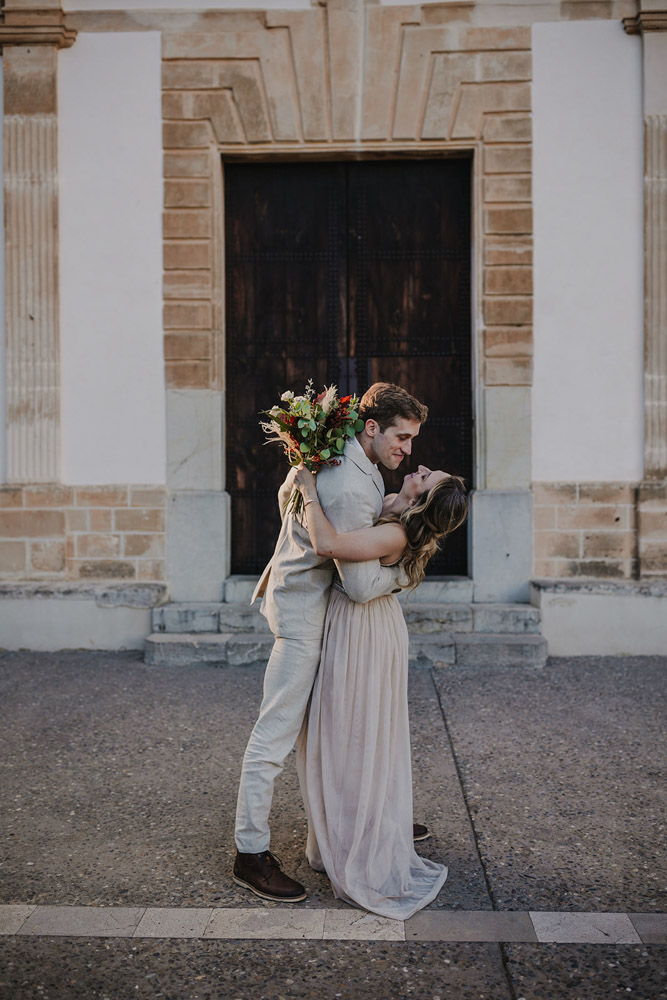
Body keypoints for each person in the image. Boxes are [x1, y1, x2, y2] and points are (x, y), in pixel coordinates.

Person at [233, 383, 428, 903]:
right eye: (401, 437)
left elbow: (297, 506)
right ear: (371, 428)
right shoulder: (346, 483)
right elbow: (362, 584)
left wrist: (400, 503)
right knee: (275, 734)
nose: (407, 450)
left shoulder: (349, 464)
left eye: (411, 440)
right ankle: (250, 852)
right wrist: (409, 572)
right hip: (303, 617)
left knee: (335, 730)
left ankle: (361, 827)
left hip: (316, 609)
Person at [293, 463, 468, 919]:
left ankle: (356, 849)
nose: (421, 467)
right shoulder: (391, 513)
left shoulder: (395, 535)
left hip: (362, 632)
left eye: (427, 477)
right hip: (366, 626)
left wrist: (308, 488)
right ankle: (341, 836)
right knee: (348, 732)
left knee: (350, 734)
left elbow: (328, 545)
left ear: (423, 499)